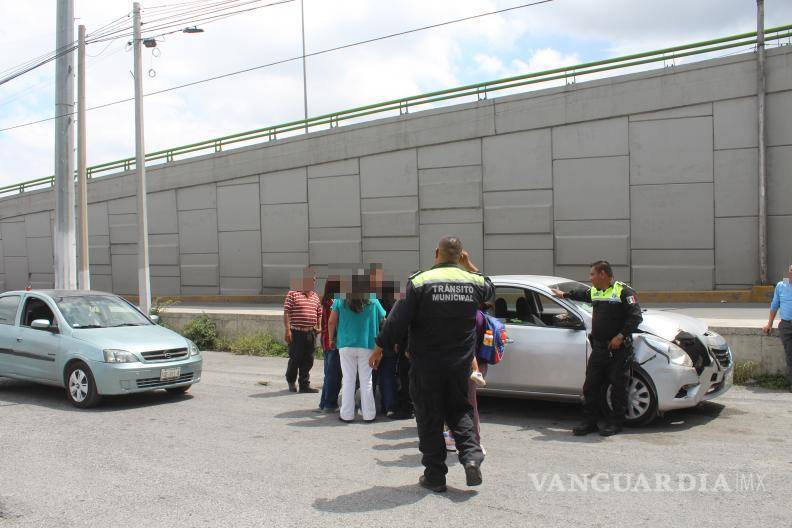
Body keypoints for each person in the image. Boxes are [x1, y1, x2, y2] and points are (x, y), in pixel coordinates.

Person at [371, 236, 495, 493]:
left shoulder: (419, 281)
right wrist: (469, 265)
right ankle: (471, 457)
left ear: (436, 252)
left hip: (426, 364)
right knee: (460, 411)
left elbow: (396, 320)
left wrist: (381, 346)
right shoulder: (473, 281)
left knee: (429, 417)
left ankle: (435, 476)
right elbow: (490, 289)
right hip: (460, 365)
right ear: (460, 255)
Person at [551, 260, 643, 437]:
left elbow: (635, 318)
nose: (590, 278)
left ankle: (615, 423)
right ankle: (589, 422)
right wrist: (563, 294)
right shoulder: (595, 292)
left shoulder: (624, 291)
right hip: (600, 348)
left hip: (618, 349)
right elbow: (581, 294)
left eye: (592, 274)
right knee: (590, 386)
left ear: (603, 274)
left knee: (618, 387)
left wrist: (620, 336)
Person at [329, 272, 387, 423]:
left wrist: (331, 339)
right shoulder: (372, 299)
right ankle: (369, 415)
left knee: (348, 379)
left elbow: (331, 321)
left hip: (346, 344)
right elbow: (384, 320)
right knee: (366, 380)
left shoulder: (340, 298)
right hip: (367, 345)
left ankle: (346, 414)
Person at [283, 267, 322, 393]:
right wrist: (287, 330)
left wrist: (319, 325)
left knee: (308, 359)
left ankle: (304, 385)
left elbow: (319, 312)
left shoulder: (315, 296)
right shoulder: (293, 293)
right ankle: (291, 380)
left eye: (314, 279)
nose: (313, 282)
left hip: (311, 333)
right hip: (296, 332)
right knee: (295, 358)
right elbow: (287, 312)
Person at [763, 264, 792, 390]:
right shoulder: (781, 285)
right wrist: (769, 324)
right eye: (791, 271)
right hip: (786, 325)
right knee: (790, 355)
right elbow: (774, 305)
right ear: (789, 272)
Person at [318, 276, 342, 411]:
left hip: (326, 340)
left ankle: (324, 402)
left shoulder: (326, 300)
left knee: (328, 373)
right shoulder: (333, 302)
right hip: (332, 341)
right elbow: (334, 322)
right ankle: (330, 403)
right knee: (334, 374)